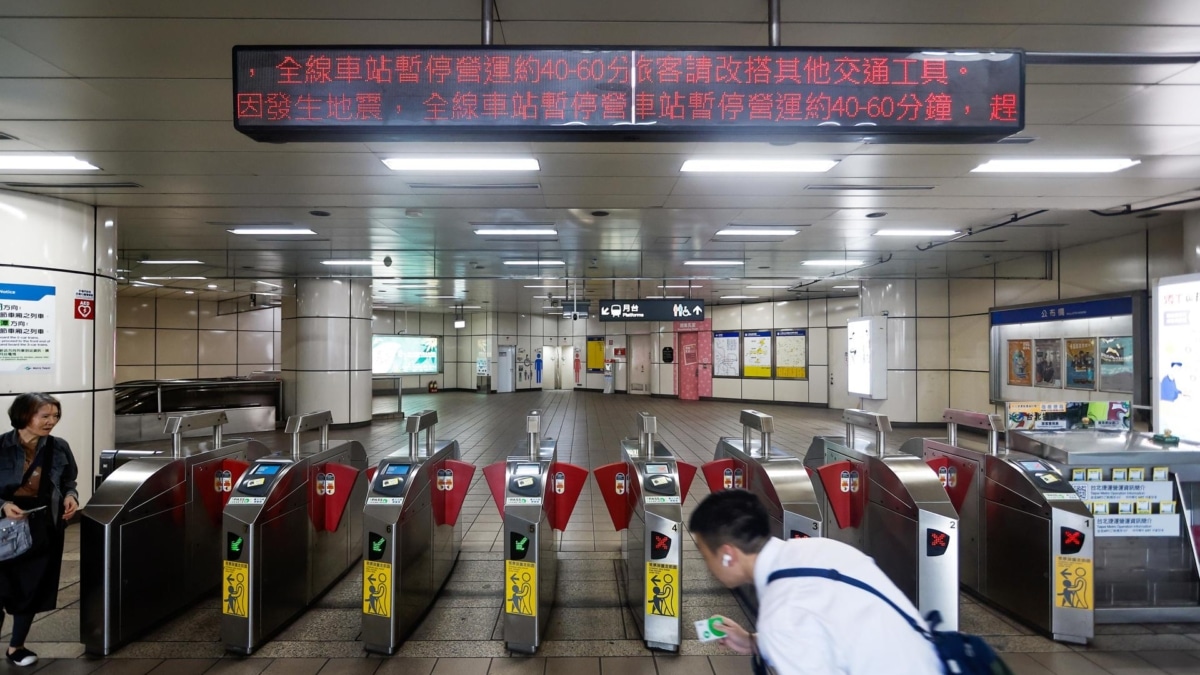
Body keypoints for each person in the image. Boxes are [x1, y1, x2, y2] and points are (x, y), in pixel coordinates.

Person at [688, 490, 941, 675]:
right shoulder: (820, 549)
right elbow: (826, 624)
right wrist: (754, 641)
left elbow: (795, 621)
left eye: (703, 551)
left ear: (727, 555)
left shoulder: (783, 612)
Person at [0, 393, 79, 667]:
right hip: (4, 524)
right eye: (44, 416)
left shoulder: (58, 447)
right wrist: (3, 505)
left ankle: (16, 647)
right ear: (24, 415)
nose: (51, 421)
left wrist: (71, 496)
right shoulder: (1, 446)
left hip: (41, 525)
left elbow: (69, 479)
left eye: (55, 416)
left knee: (31, 587)